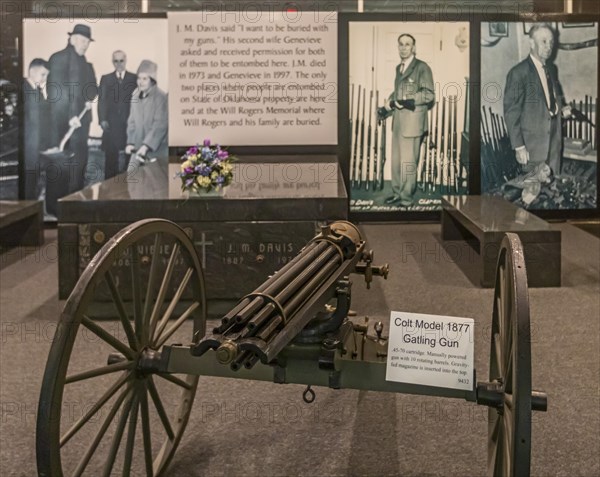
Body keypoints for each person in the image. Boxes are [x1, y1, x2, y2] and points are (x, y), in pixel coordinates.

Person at [503, 23, 570, 178]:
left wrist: (562, 108)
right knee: (533, 191)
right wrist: (519, 146)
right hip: (533, 144)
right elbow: (511, 112)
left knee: (553, 184)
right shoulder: (518, 73)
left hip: (554, 138)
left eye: (551, 42)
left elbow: (553, 97)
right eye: (544, 41)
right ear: (531, 43)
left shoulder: (552, 69)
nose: (549, 46)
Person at [378, 33, 434, 207]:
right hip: (399, 122)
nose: (403, 47)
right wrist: (388, 103)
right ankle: (397, 193)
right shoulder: (399, 68)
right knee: (396, 162)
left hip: (413, 124)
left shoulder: (422, 67)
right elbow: (398, 92)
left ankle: (406, 199)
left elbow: (428, 94)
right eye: (401, 44)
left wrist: (406, 100)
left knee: (408, 164)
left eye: (407, 44)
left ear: (414, 48)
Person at [46, 23, 97, 215]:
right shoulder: (58, 59)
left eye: (88, 42)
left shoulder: (86, 64)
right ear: (73, 38)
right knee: (61, 165)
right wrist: (70, 117)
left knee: (79, 165)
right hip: (62, 127)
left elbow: (93, 89)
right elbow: (57, 94)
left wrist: (89, 98)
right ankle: (56, 209)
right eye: (83, 41)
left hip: (81, 125)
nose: (85, 45)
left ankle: (73, 206)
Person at [98, 50, 137, 180]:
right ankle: (108, 187)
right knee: (110, 157)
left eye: (121, 60)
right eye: (116, 61)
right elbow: (102, 100)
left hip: (129, 123)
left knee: (129, 156)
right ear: (112, 62)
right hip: (111, 124)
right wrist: (102, 119)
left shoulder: (134, 78)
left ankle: (128, 186)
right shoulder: (106, 78)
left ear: (126, 60)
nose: (119, 64)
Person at [125, 60, 168, 165]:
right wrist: (130, 142)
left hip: (156, 149)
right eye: (139, 78)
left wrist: (146, 146)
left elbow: (160, 125)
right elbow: (132, 123)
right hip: (137, 148)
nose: (141, 82)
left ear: (152, 80)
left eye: (145, 79)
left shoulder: (161, 97)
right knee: (132, 177)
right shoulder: (135, 96)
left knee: (154, 178)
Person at [22, 58, 52, 201]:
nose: (45, 79)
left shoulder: (38, 91)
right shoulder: (21, 89)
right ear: (32, 72)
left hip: (37, 149)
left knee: (33, 186)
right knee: (27, 187)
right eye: (43, 74)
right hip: (26, 150)